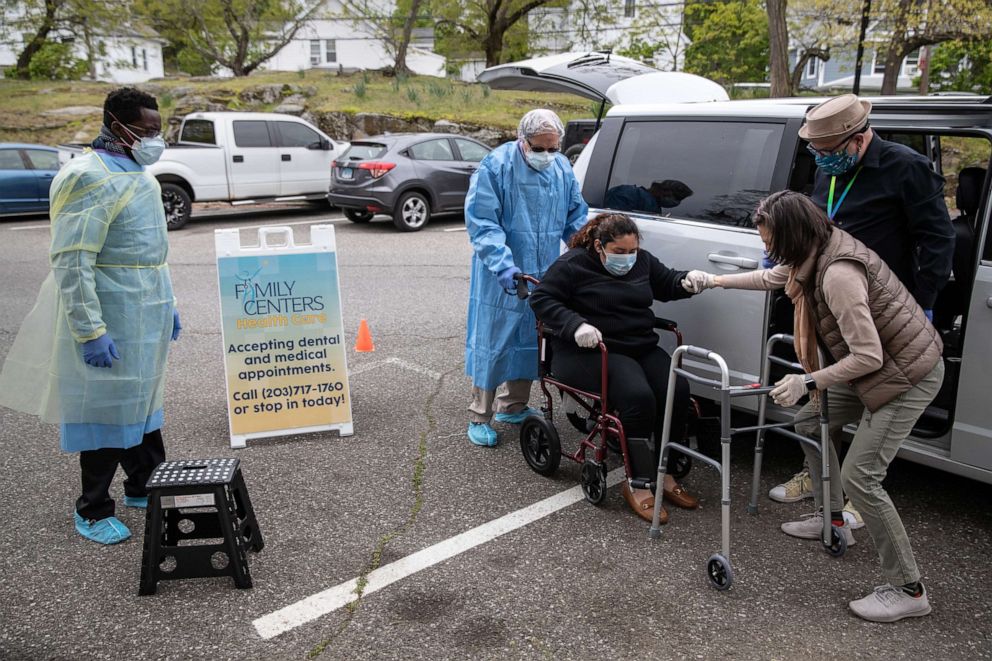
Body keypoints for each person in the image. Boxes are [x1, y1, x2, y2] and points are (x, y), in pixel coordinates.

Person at [683, 191, 943, 622]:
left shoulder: (838, 274)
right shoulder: (813, 250)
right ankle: (832, 519)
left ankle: (909, 589)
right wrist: (714, 281)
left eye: (770, 241)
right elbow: (772, 278)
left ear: (792, 234)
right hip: (877, 368)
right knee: (809, 421)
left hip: (906, 376)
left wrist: (807, 379)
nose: (766, 250)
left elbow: (869, 356)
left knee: (863, 476)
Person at [0, 87, 178, 545]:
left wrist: (168, 302)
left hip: (147, 307)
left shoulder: (140, 174)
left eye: (159, 132)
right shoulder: (87, 176)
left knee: (142, 403)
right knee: (105, 408)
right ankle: (93, 508)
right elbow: (72, 259)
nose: (154, 140)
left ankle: (144, 484)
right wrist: (89, 329)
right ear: (116, 126)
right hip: (111, 311)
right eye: (145, 131)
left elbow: (151, 252)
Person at [768, 94, 955, 507]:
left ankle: (857, 490)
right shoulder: (829, 167)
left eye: (828, 152)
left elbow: (938, 239)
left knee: (877, 390)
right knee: (825, 395)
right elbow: (818, 221)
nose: (821, 160)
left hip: (884, 305)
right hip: (830, 299)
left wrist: (924, 301)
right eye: (815, 152)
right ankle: (818, 478)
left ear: (857, 139)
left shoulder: (905, 167)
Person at [529, 213, 699, 523]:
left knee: (677, 390)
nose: (628, 259)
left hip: (638, 345)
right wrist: (575, 324)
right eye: (619, 252)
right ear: (599, 246)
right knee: (638, 397)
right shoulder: (574, 265)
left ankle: (668, 473)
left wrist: (687, 281)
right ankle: (639, 484)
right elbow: (541, 298)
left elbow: (667, 282)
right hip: (589, 349)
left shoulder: (642, 261)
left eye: (632, 251)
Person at [464, 109, 589, 447]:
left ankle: (513, 406)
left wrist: (590, 249)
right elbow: (483, 224)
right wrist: (504, 266)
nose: (547, 155)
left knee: (532, 340)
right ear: (523, 140)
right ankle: (480, 414)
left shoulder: (562, 168)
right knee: (494, 340)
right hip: (501, 273)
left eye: (554, 148)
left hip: (545, 271)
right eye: (539, 148)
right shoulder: (497, 166)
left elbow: (576, 216)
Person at [604, 179, 693, 214]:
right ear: (662, 190)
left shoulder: (655, 208)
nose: (677, 202)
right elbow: (614, 221)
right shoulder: (627, 193)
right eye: (677, 197)